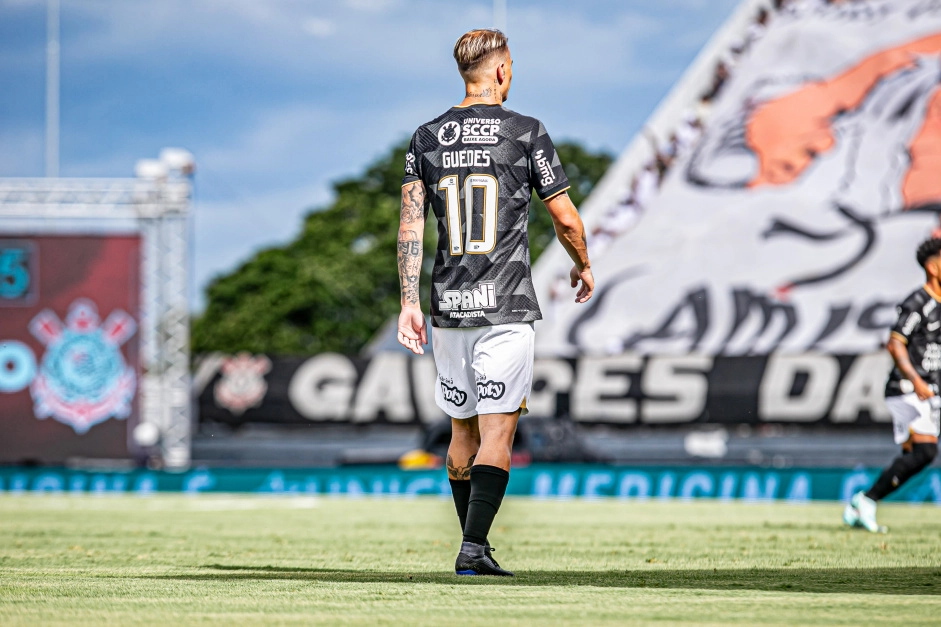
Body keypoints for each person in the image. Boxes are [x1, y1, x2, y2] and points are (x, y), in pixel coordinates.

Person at [396, 28, 593, 576]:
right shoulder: (525, 132)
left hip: (448, 306)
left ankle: (472, 543)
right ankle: (473, 548)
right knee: (499, 429)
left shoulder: (426, 136)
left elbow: (411, 225)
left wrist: (408, 301)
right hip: (504, 306)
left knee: (462, 430)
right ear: (502, 71)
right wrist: (582, 263)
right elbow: (566, 218)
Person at [843, 238, 941, 533]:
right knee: (925, 453)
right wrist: (916, 380)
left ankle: (863, 502)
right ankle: (867, 500)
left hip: (929, 392)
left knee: (916, 456)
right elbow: (895, 343)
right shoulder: (918, 303)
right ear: (933, 267)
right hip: (907, 390)